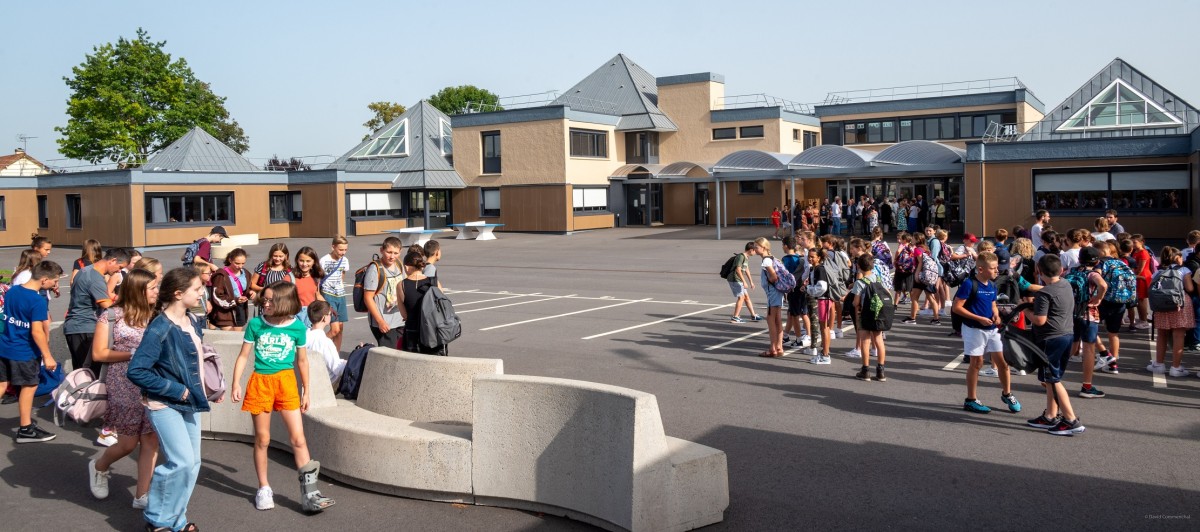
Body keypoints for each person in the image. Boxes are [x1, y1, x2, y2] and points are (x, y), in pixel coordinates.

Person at [232, 280, 336, 513]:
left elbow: (302, 361)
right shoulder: (256, 324)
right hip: (261, 382)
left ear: (284, 302)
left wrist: (307, 390)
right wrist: (236, 383)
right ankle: (264, 488)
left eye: (270, 300)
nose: (265, 303)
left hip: (287, 382)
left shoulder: (298, 328)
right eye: (264, 299)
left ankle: (310, 493)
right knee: (263, 439)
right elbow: (243, 356)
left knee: (298, 439)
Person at [126, 267, 211, 531]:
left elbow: (193, 360)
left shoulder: (193, 321)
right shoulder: (159, 328)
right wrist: (176, 390)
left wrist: (207, 388)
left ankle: (177, 521)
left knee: (192, 463)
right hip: (164, 403)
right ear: (178, 293)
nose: (201, 293)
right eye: (196, 289)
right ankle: (157, 520)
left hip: (190, 401)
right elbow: (137, 370)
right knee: (181, 462)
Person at [88, 269, 161, 509]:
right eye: (152, 288)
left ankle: (142, 496)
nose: (157, 292)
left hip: (152, 384)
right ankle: (99, 467)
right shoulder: (112, 316)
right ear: (138, 290)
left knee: (150, 440)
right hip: (123, 385)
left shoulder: (157, 316)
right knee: (128, 444)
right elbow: (99, 353)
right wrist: (134, 354)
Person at [0, 261, 62, 443]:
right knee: (29, 386)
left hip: (5, 346)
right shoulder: (37, 300)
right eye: (54, 281)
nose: (56, 285)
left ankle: (26, 427)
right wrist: (47, 355)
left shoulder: (12, 291)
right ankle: (26, 429)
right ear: (44, 280)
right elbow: (37, 331)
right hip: (24, 351)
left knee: (3, 384)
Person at [953, 252, 1022, 414]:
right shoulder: (969, 284)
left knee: (1003, 364)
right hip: (973, 329)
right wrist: (979, 318)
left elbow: (992, 304)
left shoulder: (991, 285)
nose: (996, 271)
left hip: (991, 330)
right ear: (981, 269)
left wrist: (996, 314)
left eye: (997, 267)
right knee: (976, 364)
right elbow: (956, 307)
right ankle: (970, 400)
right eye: (993, 268)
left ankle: (1007, 394)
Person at [1025, 254, 1086, 435]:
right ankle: (1050, 415)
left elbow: (1040, 320)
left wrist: (1027, 308)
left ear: (1039, 271)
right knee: (1051, 379)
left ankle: (1070, 419)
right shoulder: (1065, 284)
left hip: (1050, 338)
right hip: (1067, 335)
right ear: (1061, 270)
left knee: (1053, 380)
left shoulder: (1045, 293)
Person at [64, 247, 132, 371]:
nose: (119, 271)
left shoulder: (86, 271)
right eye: (120, 267)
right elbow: (108, 306)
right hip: (85, 328)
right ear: (113, 260)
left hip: (76, 327)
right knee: (89, 373)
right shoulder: (95, 278)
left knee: (80, 372)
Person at [1147, 247, 1195, 377]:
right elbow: (1189, 288)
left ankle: (1158, 364)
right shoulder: (1184, 270)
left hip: (1161, 305)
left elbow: (1150, 288)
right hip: (1179, 303)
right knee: (1178, 335)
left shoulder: (1158, 271)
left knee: (1162, 334)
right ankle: (1176, 367)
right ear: (1177, 257)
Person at [398, 251, 448, 355]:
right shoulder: (433, 282)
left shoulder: (401, 285)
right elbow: (443, 304)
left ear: (406, 267)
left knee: (413, 364)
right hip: (433, 331)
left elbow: (404, 314)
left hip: (412, 331)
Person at [363, 237, 405, 348]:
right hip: (384, 322)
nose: (392, 256)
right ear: (381, 250)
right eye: (389, 252)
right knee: (389, 356)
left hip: (400, 320)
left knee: (401, 353)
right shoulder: (375, 268)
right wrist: (380, 321)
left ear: (400, 252)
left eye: (396, 253)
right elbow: (368, 297)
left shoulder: (399, 265)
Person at [851, 253, 888, 381]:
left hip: (864, 314)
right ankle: (881, 370)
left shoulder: (860, 282)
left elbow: (856, 303)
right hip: (878, 313)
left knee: (865, 341)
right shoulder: (878, 279)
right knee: (879, 341)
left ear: (858, 266)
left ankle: (865, 370)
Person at [754, 237, 785, 357]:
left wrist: (771, 283)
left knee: (770, 319)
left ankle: (773, 348)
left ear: (764, 248)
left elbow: (774, 276)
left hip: (773, 292)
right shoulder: (773, 258)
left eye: (757, 247)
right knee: (777, 319)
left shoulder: (766, 261)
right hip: (777, 293)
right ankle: (779, 347)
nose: (755, 249)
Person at [319, 236, 352, 351]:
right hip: (328, 295)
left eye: (345, 250)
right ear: (333, 247)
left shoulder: (345, 260)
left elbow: (342, 275)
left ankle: (335, 355)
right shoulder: (324, 260)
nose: (343, 252)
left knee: (340, 329)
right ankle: (317, 346)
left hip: (341, 295)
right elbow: (319, 279)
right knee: (335, 330)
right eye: (340, 249)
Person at [210, 248, 251, 331]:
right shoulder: (221, 275)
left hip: (240, 308)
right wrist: (235, 300)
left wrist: (251, 293)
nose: (240, 266)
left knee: (237, 338)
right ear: (230, 260)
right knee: (228, 337)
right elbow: (217, 295)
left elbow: (247, 289)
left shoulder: (246, 273)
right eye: (237, 263)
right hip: (225, 311)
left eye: (243, 263)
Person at [305, 301, 345, 386]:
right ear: (324, 318)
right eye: (330, 314)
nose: (331, 316)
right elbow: (337, 368)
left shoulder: (304, 337)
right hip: (324, 384)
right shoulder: (325, 342)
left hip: (308, 380)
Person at [803, 248, 831, 364]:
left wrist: (809, 289)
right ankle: (824, 353)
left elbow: (822, 287)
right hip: (822, 299)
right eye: (809, 256)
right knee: (824, 328)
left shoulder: (820, 269)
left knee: (824, 328)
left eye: (813, 256)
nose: (810, 258)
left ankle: (825, 355)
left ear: (819, 258)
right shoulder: (813, 268)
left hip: (823, 300)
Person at [250, 243, 295, 314]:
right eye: (275, 256)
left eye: (281, 256)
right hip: (265, 303)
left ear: (286, 256)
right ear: (271, 255)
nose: (277, 259)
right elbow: (252, 284)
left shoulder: (290, 270)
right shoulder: (263, 266)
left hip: (281, 303)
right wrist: (263, 289)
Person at [781, 236, 809, 348]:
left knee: (795, 315)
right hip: (801, 287)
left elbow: (784, 275)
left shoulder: (786, 259)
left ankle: (798, 339)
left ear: (786, 246)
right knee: (791, 314)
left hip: (793, 289)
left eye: (783, 245)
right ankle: (785, 336)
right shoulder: (800, 258)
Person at [727, 242, 762, 323]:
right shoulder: (741, 256)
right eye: (755, 250)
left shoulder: (746, 257)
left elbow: (746, 270)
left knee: (746, 297)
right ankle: (735, 317)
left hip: (739, 279)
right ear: (751, 250)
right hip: (734, 279)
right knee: (741, 297)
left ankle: (753, 315)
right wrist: (744, 282)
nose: (756, 252)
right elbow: (738, 270)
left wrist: (751, 282)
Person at [293, 247, 326, 326]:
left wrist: (328, 308)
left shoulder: (315, 277)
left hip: (311, 314)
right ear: (297, 261)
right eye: (301, 261)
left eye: (308, 261)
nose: (304, 264)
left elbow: (317, 294)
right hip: (295, 314)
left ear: (314, 262)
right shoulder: (290, 278)